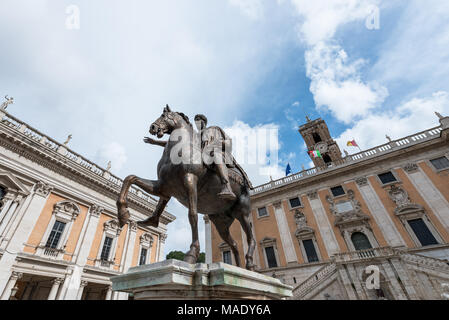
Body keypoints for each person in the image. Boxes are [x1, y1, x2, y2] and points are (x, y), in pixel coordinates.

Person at [194, 114, 237, 200]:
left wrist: (216, 143)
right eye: (196, 121)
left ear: (204, 122)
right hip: (201, 156)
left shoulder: (214, 129)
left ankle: (226, 186)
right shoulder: (195, 136)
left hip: (216, 152)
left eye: (199, 120)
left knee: (216, 155)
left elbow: (228, 143)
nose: (197, 123)